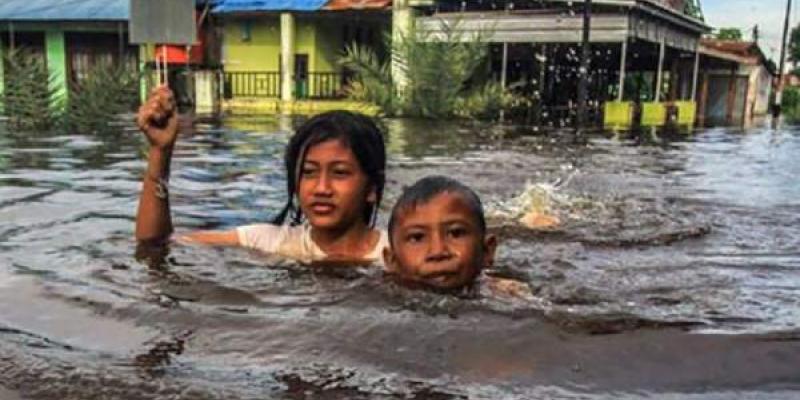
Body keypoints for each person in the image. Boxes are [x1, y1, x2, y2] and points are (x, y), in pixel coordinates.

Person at [135, 86, 388, 265]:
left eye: (340, 173)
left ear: (371, 189)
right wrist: (161, 152)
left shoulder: (397, 255)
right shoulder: (268, 242)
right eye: (309, 172)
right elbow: (155, 245)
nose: (321, 188)